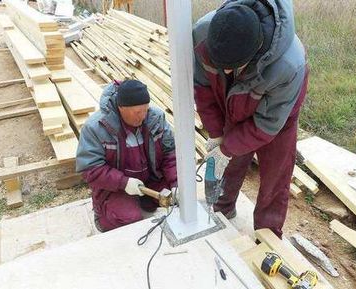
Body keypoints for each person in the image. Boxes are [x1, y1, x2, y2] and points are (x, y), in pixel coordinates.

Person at [193, 0, 308, 238]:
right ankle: (221, 209)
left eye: (231, 66)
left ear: (256, 51)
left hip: (277, 115)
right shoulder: (203, 35)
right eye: (220, 64)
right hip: (234, 99)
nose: (225, 71)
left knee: (275, 174)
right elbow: (203, 89)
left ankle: (267, 234)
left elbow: (265, 126)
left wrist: (228, 147)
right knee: (230, 156)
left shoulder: (289, 65)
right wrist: (217, 136)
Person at [76, 80, 177, 232]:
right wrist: (124, 182)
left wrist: (177, 183)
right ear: (121, 108)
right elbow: (90, 169)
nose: (143, 116)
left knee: (179, 200)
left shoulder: (155, 118)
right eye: (137, 112)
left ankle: (146, 199)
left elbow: (170, 154)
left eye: (146, 110)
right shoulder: (95, 128)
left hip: (151, 180)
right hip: (116, 188)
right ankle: (102, 213)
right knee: (129, 219)